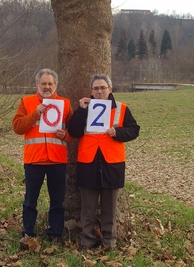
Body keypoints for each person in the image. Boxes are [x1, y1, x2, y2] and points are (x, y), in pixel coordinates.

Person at [68, 74, 140, 250]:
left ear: (110, 89)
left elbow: (134, 130)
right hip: (88, 164)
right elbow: (74, 131)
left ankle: (109, 242)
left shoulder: (122, 109)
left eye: (102, 88)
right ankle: (87, 242)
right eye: (96, 88)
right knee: (87, 210)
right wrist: (81, 110)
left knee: (110, 210)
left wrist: (119, 133)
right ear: (91, 90)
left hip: (112, 165)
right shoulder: (85, 108)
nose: (99, 91)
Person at [12, 68, 73, 243]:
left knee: (57, 201)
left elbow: (74, 130)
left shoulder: (65, 104)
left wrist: (66, 135)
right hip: (34, 160)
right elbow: (17, 127)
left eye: (50, 83)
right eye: (44, 83)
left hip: (57, 160)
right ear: (37, 84)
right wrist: (34, 114)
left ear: (55, 85)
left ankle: (55, 234)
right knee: (30, 200)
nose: (47, 86)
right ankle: (28, 233)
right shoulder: (27, 102)